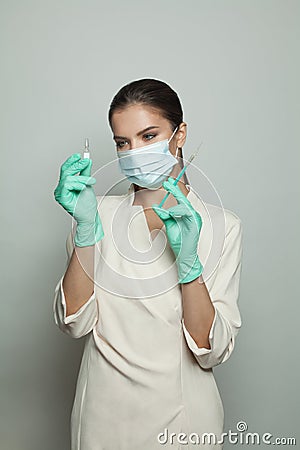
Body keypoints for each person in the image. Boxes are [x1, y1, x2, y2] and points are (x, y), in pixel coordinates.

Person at [53, 78, 243, 450]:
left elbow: (210, 350)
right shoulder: (95, 214)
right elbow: (74, 322)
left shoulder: (223, 227)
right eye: (123, 143)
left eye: (149, 136)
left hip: (186, 421)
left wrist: (190, 268)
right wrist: (87, 232)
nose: (134, 152)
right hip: (101, 419)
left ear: (180, 133)